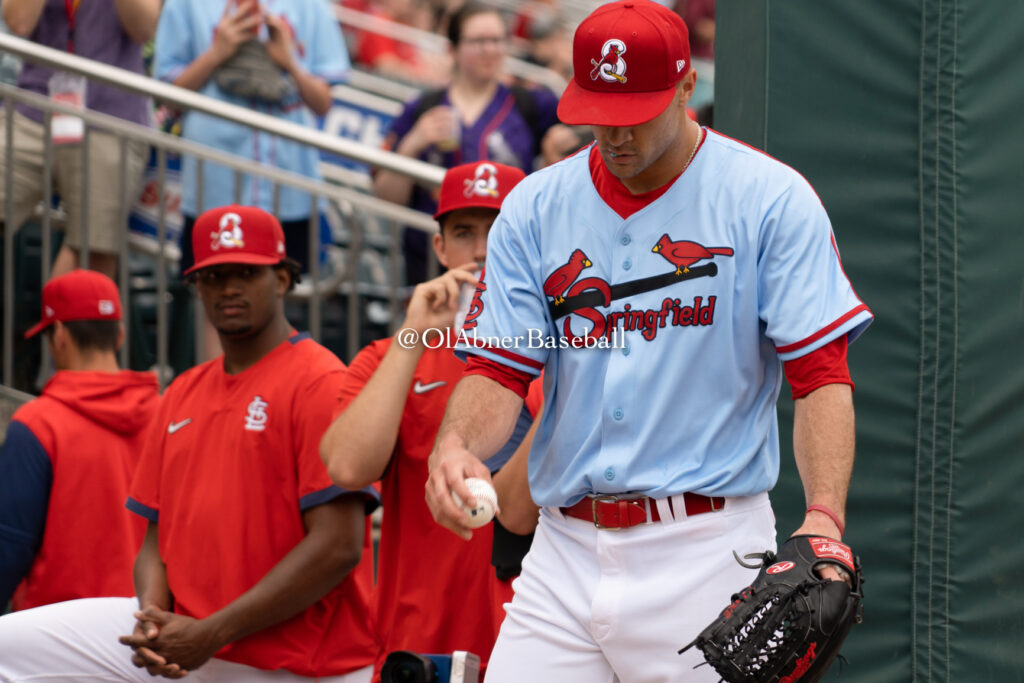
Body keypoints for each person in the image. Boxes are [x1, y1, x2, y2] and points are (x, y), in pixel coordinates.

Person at [422, 1, 874, 680]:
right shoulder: (536, 206)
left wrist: (823, 518)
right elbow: (499, 367)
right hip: (564, 549)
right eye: (598, 113)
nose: (614, 134)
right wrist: (455, 445)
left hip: (704, 548)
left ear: (689, 87)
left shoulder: (770, 199)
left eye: (634, 113)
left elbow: (821, 375)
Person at [0, 205, 379, 682]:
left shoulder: (321, 380)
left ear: (282, 280)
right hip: (194, 640)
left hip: (297, 663)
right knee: (8, 648)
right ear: (196, 287)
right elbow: (155, 541)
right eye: (213, 276)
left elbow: (338, 547)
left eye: (246, 272)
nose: (229, 288)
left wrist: (213, 632)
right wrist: (153, 619)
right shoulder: (182, 391)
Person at [321, 161, 540, 680]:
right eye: (464, 233)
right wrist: (412, 334)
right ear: (440, 248)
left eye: (498, 228)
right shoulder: (392, 354)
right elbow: (348, 468)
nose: (482, 250)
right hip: (415, 642)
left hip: (527, 636)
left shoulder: (552, 350)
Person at [154, 0, 349, 359]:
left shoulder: (310, 6)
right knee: (215, 299)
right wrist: (218, 53)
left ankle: (266, 405)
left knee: (281, 302)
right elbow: (167, 96)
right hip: (215, 181)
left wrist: (288, 60)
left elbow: (323, 102)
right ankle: (219, 407)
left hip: (288, 184)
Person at [372, 2, 573, 286]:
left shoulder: (530, 103)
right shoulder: (423, 106)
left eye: (497, 40)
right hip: (432, 261)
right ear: (452, 49)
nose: (490, 49)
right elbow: (386, 195)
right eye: (478, 41)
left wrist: (556, 154)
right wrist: (412, 144)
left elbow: (577, 142)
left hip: (509, 258)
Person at [0, 270, 159, 612]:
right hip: (150, 630)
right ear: (119, 335)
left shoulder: (38, 423)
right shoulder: (168, 416)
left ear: (58, 335)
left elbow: (9, 546)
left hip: (55, 635)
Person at [0, 0, 158, 280]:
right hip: (33, 107)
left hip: (111, 115)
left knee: (92, 249)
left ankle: (62, 325)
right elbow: (19, 22)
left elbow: (143, 28)